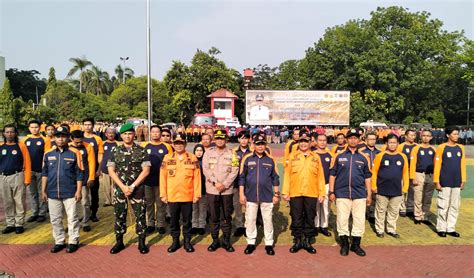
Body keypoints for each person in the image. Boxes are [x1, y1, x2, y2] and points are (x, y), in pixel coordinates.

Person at [107, 123, 151, 254]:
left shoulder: (141, 150)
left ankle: (142, 243)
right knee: (119, 215)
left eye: (130, 133)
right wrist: (122, 186)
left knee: (140, 215)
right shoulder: (115, 150)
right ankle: (119, 242)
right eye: (125, 134)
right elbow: (111, 170)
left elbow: (146, 170)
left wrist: (132, 186)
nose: (127, 136)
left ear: (134, 135)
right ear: (121, 135)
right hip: (120, 189)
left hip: (137, 188)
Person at [329, 128, 371, 257]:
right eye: (351, 138)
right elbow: (332, 174)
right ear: (347, 140)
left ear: (359, 140)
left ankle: (356, 245)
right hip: (342, 193)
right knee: (342, 219)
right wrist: (331, 191)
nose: (353, 140)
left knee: (359, 220)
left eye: (355, 138)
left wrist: (369, 194)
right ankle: (345, 244)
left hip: (359, 194)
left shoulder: (364, 157)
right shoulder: (339, 155)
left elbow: (368, 177)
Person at [41, 126, 83, 253]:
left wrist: (79, 190)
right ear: (54, 138)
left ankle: (73, 241)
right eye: (58, 136)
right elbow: (44, 173)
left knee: (72, 218)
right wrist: (43, 190)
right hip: (52, 192)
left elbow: (79, 173)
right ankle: (59, 241)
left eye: (63, 136)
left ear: (68, 138)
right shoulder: (48, 154)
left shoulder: (74, 153)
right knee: (55, 218)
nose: (60, 139)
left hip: (70, 191)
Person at [283, 131, 325, 254]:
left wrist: (322, 193)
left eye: (305, 141)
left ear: (310, 143)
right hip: (295, 192)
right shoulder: (292, 156)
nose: (303, 144)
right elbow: (287, 175)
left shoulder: (316, 157)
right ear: (298, 142)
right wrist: (286, 192)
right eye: (301, 141)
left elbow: (320, 177)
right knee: (296, 218)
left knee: (310, 217)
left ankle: (307, 241)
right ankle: (298, 240)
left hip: (311, 192)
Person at [160, 133, 201, 253]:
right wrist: (163, 194)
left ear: (185, 144)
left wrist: (197, 194)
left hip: (187, 195)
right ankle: (175, 241)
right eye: (176, 143)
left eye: (181, 143)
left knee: (187, 220)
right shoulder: (167, 158)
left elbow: (197, 177)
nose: (179, 146)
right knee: (173, 221)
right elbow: (162, 177)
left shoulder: (192, 158)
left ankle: (187, 241)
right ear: (173, 144)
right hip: (172, 195)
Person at [239, 134, 280, 255]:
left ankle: (269, 243)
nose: (260, 146)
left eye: (262, 144)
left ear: (265, 145)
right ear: (254, 145)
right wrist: (241, 194)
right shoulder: (247, 159)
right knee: (250, 219)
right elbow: (242, 178)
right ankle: (251, 242)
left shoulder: (271, 159)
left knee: (268, 220)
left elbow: (275, 178)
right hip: (250, 195)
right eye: (258, 144)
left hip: (267, 196)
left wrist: (276, 194)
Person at [202, 130, 240, 252]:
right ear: (214, 140)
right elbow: (206, 169)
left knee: (226, 216)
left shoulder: (232, 154)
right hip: (212, 189)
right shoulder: (208, 152)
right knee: (214, 217)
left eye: (222, 138)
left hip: (226, 190)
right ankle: (215, 241)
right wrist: (215, 182)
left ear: (226, 140)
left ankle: (226, 241)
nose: (219, 140)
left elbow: (235, 170)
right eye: (217, 138)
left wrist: (225, 184)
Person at [372, 134, 409, 238]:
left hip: (397, 189)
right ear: (386, 143)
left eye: (394, 143)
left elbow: (405, 173)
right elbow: (374, 172)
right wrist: (374, 186)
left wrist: (405, 187)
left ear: (398, 144)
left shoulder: (402, 157)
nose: (392, 145)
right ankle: (379, 230)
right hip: (382, 188)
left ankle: (391, 229)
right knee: (381, 210)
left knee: (394, 211)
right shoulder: (380, 156)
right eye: (390, 143)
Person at [433, 126, 466, 238]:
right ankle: (441, 228)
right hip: (444, 182)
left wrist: (463, 180)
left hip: (457, 181)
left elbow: (462, 165)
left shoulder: (461, 148)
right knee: (443, 205)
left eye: (458, 134)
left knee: (455, 206)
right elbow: (437, 166)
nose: (457, 136)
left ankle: (450, 228)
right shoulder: (441, 148)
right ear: (448, 135)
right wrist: (436, 181)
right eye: (455, 134)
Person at [142, 125, 173, 235]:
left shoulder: (166, 147)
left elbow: (171, 163)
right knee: (149, 204)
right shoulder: (144, 145)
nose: (155, 134)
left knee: (161, 204)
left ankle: (160, 224)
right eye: (153, 132)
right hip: (147, 181)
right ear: (150, 133)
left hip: (161, 181)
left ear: (160, 134)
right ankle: (150, 224)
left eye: (157, 132)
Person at [0, 125, 31, 234]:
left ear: (15, 133)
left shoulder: (21, 146)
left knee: (19, 201)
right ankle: (10, 223)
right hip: (3, 177)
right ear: (3, 134)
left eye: (12, 132)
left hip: (17, 176)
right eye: (7, 132)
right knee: (7, 201)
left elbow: (27, 162)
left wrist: (27, 179)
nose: (9, 134)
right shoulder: (1, 146)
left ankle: (19, 223)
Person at [23, 120, 52, 223]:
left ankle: (42, 213)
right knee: (32, 193)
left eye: (36, 127)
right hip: (29, 171)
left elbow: (47, 155)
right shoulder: (25, 140)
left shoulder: (45, 140)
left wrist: (45, 169)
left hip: (41, 170)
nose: (34, 129)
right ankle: (34, 212)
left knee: (42, 192)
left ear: (40, 128)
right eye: (32, 127)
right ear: (29, 128)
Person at [69, 130, 96, 232]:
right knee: (72, 202)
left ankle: (85, 222)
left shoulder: (88, 146)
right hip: (71, 179)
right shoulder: (68, 147)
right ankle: (73, 222)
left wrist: (91, 177)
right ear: (72, 139)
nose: (79, 144)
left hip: (84, 178)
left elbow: (92, 162)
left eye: (81, 141)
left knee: (85, 201)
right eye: (76, 142)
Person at [410, 130, 436, 225]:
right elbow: (413, 164)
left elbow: (436, 164)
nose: (426, 137)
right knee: (418, 196)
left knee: (428, 197)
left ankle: (425, 216)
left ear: (431, 137)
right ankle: (417, 216)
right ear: (421, 137)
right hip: (419, 174)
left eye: (428, 136)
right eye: (424, 135)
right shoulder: (416, 148)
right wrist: (413, 177)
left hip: (430, 175)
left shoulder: (433, 149)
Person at [82, 118, 104, 222]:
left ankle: (94, 213)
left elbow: (100, 155)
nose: (87, 126)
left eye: (89, 124)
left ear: (93, 126)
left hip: (94, 170)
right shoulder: (79, 137)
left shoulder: (97, 139)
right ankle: (84, 213)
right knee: (82, 195)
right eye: (85, 124)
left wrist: (99, 169)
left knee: (94, 193)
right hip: (81, 171)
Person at [313, 133, 334, 237]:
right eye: (320, 140)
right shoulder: (312, 154)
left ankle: (324, 226)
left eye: (324, 140)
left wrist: (331, 188)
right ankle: (315, 226)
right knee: (315, 206)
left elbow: (333, 173)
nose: (322, 142)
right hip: (314, 185)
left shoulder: (330, 156)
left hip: (326, 184)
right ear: (316, 142)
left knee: (326, 206)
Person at [232, 131, 252, 237]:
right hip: (236, 183)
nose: (243, 140)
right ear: (238, 139)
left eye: (246, 138)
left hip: (249, 184)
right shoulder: (234, 152)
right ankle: (239, 226)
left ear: (249, 139)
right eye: (241, 138)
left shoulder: (252, 152)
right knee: (237, 206)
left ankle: (248, 226)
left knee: (249, 207)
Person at [360, 131, 381, 223]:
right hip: (364, 177)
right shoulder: (361, 152)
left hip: (375, 177)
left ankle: (372, 214)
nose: (372, 141)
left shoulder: (380, 152)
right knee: (364, 195)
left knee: (374, 196)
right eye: (370, 139)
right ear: (366, 140)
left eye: (373, 139)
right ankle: (363, 212)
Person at [397, 129, 417, 217]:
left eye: (414, 135)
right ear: (406, 136)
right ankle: (402, 208)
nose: (412, 137)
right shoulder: (401, 146)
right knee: (403, 190)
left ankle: (410, 207)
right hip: (403, 171)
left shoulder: (417, 146)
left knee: (413, 190)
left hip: (413, 171)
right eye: (411, 135)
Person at [100, 127, 119, 207]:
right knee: (106, 185)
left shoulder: (118, 144)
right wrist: (99, 168)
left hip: (115, 169)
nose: (111, 134)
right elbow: (100, 156)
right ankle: (108, 200)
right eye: (109, 133)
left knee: (114, 185)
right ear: (106, 134)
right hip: (105, 168)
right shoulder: (102, 143)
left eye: (112, 133)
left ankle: (114, 200)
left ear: (115, 134)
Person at [191, 144, 207, 235]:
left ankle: (201, 225)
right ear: (194, 152)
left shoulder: (205, 162)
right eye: (197, 150)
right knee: (194, 208)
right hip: (193, 189)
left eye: (201, 150)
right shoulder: (191, 161)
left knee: (202, 208)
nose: (199, 152)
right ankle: (194, 225)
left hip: (203, 189)